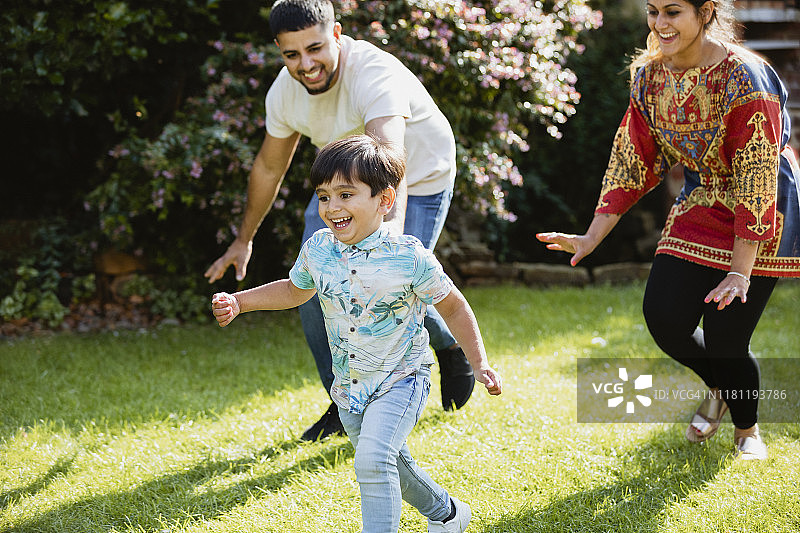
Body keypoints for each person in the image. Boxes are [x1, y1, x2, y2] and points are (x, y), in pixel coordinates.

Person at [537, 0, 800, 460]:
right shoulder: (649, 77)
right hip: (702, 197)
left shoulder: (745, 77)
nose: (660, 23)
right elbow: (633, 158)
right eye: (653, 11)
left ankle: (747, 430)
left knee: (726, 337)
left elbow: (757, 176)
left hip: (763, 207)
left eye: (673, 12)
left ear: (705, 12)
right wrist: (590, 237)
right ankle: (720, 386)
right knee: (665, 318)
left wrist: (739, 272)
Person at [204, 0, 476, 440]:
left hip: (416, 178)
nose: (305, 65)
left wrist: (386, 244)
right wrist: (243, 239)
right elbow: (269, 168)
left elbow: (390, 163)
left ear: (336, 34)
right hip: (343, 190)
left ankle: (449, 347)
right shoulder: (285, 92)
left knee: (394, 279)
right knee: (317, 281)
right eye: (291, 54)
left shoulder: (373, 73)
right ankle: (344, 399)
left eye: (315, 49)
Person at [212, 135, 502, 533]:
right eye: (324, 196)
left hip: (402, 378)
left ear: (384, 200)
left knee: (372, 461)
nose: (332, 207)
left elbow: (453, 306)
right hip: (350, 385)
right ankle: (447, 513)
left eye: (345, 195)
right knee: (389, 463)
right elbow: (295, 290)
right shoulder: (318, 249)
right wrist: (241, 302)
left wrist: (479, 362)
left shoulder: (409, 256)